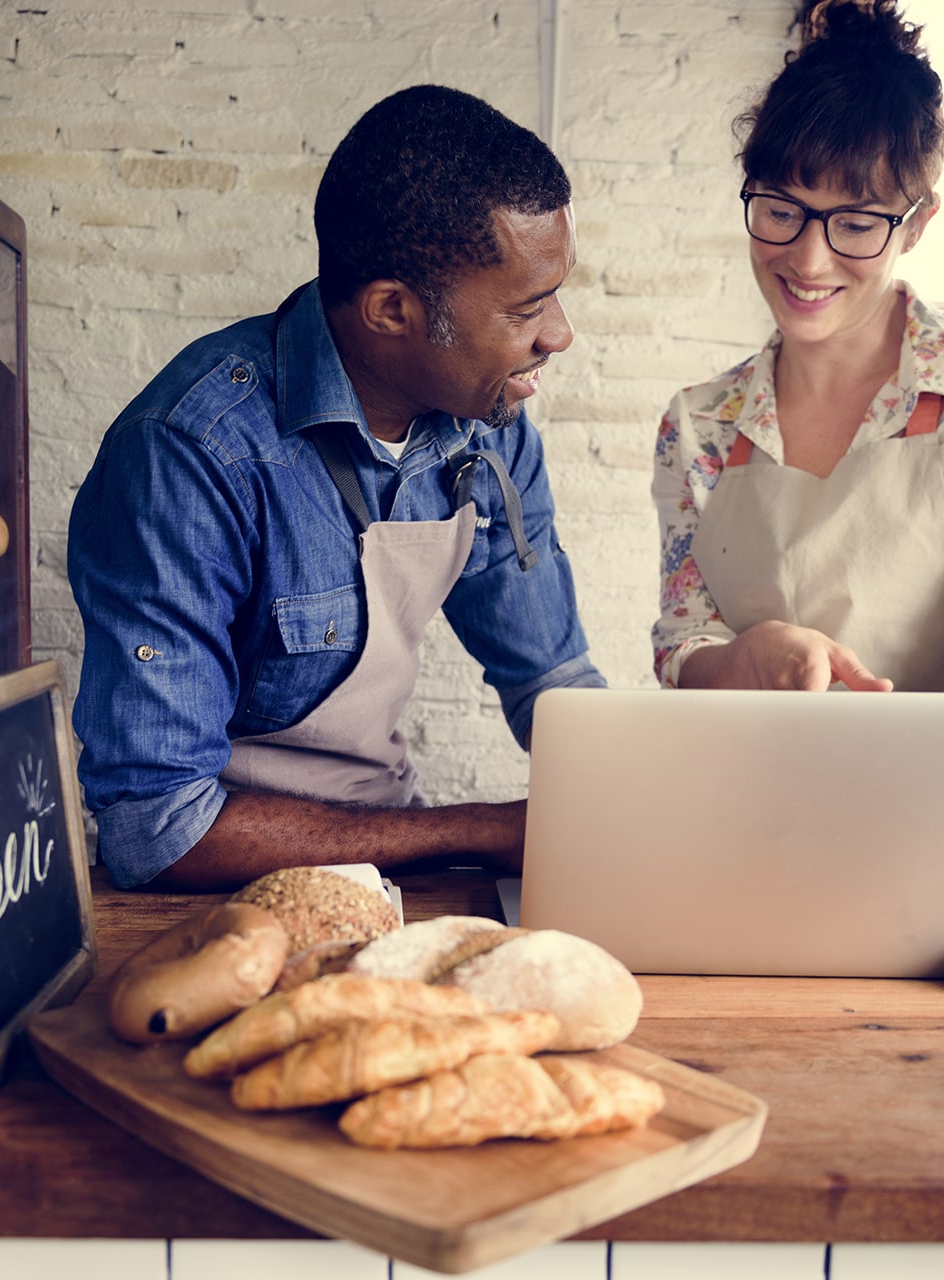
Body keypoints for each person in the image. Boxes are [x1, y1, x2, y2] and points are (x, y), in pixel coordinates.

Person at [649, 0, 944, 998]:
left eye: (855, 222)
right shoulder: (700, 424)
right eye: (782, 208)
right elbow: (683, 644)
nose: (806, 258)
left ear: (918, 218)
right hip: (747, 858)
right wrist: (746, 659)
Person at [68, 84, 602, 893]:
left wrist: (636, 802)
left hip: (388, 853)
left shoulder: (487, 424)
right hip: (218, 890)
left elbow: (551, 683)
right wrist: (487, 832)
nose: (559, 334)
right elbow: (158, 828)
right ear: (392, 309)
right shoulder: (191, 454)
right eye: (528, 305)